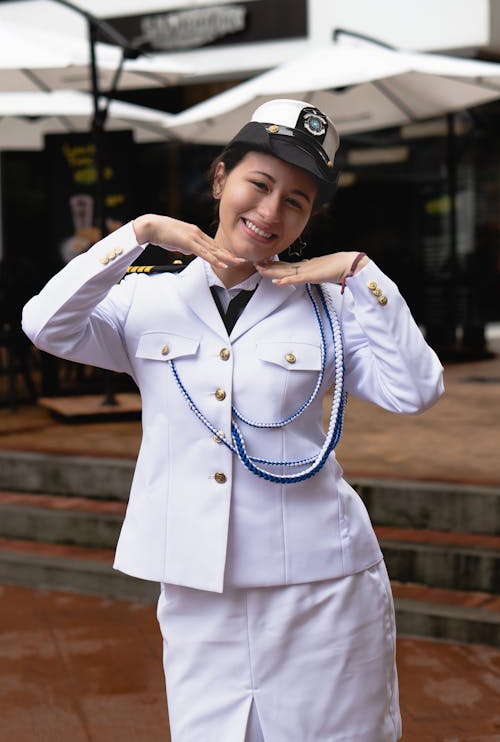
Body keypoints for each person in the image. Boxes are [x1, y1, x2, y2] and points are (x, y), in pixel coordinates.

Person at [22, 99, 444, 742]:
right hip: (198, 586)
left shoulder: (331, 306)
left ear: (310, 217)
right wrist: (138, 233)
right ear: (221, 178)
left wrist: (362, 274)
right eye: (260, 183)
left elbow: (415, 391)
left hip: (320, 586)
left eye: (297, 201)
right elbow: (45, 325)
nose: (272, 212)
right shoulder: (145, 292)